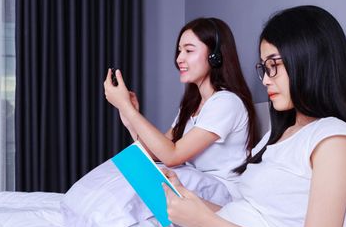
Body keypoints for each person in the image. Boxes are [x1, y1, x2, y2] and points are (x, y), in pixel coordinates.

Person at [162, 5, 346, 227]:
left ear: (309, 60)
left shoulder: (332, 140)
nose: (266, 79)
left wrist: (206, 223)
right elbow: (249, 217)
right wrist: (192, 204)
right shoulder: (277, 135)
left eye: (275, 66)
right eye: (263, 67)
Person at [104, 17, 257, 185]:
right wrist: (128, 114)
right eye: (179, 51)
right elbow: (155, 154)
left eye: (189, 51)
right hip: (193, 184)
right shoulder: (192, 105)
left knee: (131, 184)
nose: (179, 58)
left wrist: (128, 109)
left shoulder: (227, 103)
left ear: (215, 56)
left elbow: (172, 156)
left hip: (219, 190)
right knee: (125, 170)